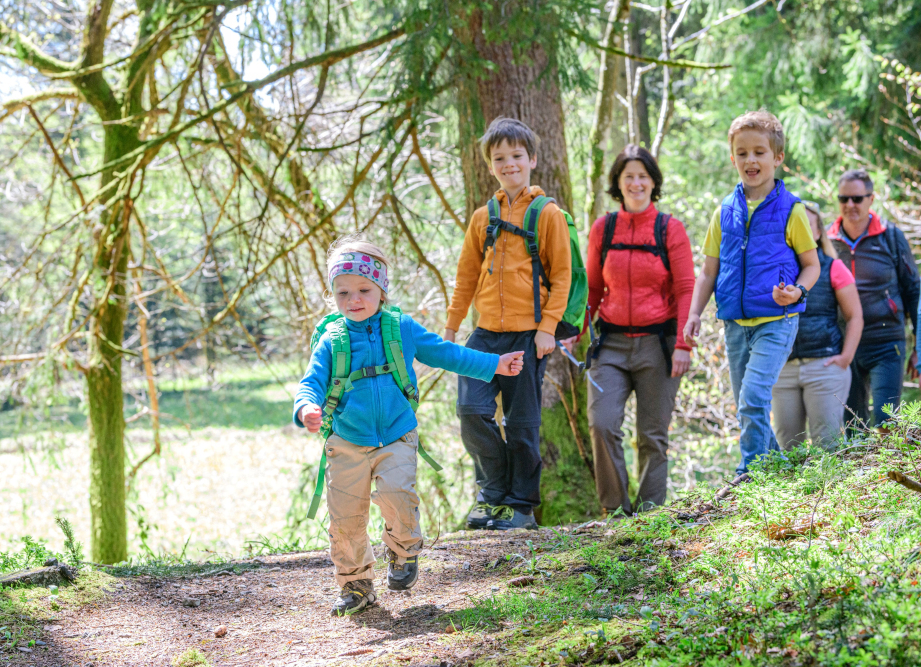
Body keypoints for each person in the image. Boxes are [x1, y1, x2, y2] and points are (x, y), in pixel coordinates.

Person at [294, 237, 525, 616]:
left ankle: (402, 553)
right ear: (333, 294)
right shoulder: (331, 340)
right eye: (343, 292)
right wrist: (306, 407)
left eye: (364, 290)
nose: (354, 299)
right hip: (346, 442)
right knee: (346, 521)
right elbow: (311, 382)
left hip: (397, 435)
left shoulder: (400, 328)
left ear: (381, 289)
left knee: (398, 497)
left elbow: (446, 353)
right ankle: (355, 585)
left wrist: (494, 364)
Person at [443, 117, 572, 531]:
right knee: (470, 410)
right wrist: (451, 327)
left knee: (521, 422)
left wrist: (547, 327)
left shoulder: (547, 214)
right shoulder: (484, 217)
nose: (509, 164)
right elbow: (466, 276)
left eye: (517, 155)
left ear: (532, 159)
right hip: (484, 334)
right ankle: (492, 492)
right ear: (490, 165)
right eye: (500, 158)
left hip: (527, 333)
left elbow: (562, 275)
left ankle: (520, 505)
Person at [684, 110, 821, 476]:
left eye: (760, 152)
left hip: (777, 321)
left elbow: (812, 265)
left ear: (777, 158)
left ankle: (750, 473)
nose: (751, 160)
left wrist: (798, 291)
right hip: (734, 324)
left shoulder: (792, 211)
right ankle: (781, 468)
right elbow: (709, 270)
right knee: (748, 402)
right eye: (742, 153)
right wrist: (695, 312)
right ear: (733, 159)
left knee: (753, 397)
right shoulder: (724, 212)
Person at [569, 144, 695, 517]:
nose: (636, 183)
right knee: (602, 423)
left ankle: (651, 516)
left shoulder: (669, 228)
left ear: (653, 182)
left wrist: (684, 345)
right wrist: (574, 330)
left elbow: (686, 288)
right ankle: (615, 513)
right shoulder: (603, 228)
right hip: (610, 344)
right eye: (629, 177)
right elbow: (592, 288)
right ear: (618, 184)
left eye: (643, 176)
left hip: (660, 344)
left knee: (652, 436)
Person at [826, 169, 920, 431]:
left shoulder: (891, 237)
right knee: (853, 426)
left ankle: (894, 472)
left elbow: (914, 291)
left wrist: (918, 348)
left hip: (887, 343)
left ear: (871, 198)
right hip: (843, 345)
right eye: (843, 199)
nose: (850, 205)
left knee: (886, 420)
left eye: (857, 199)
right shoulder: (827, 240)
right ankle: (862, 473)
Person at [771, 201, 863, 450]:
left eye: (806, 225)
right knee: (788, 449)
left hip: (825, 366)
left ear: (819, 232)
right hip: (782, 371)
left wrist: (845, 358)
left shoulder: (834, 267)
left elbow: (855, 315)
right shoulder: (772, 269)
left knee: (828, 446)